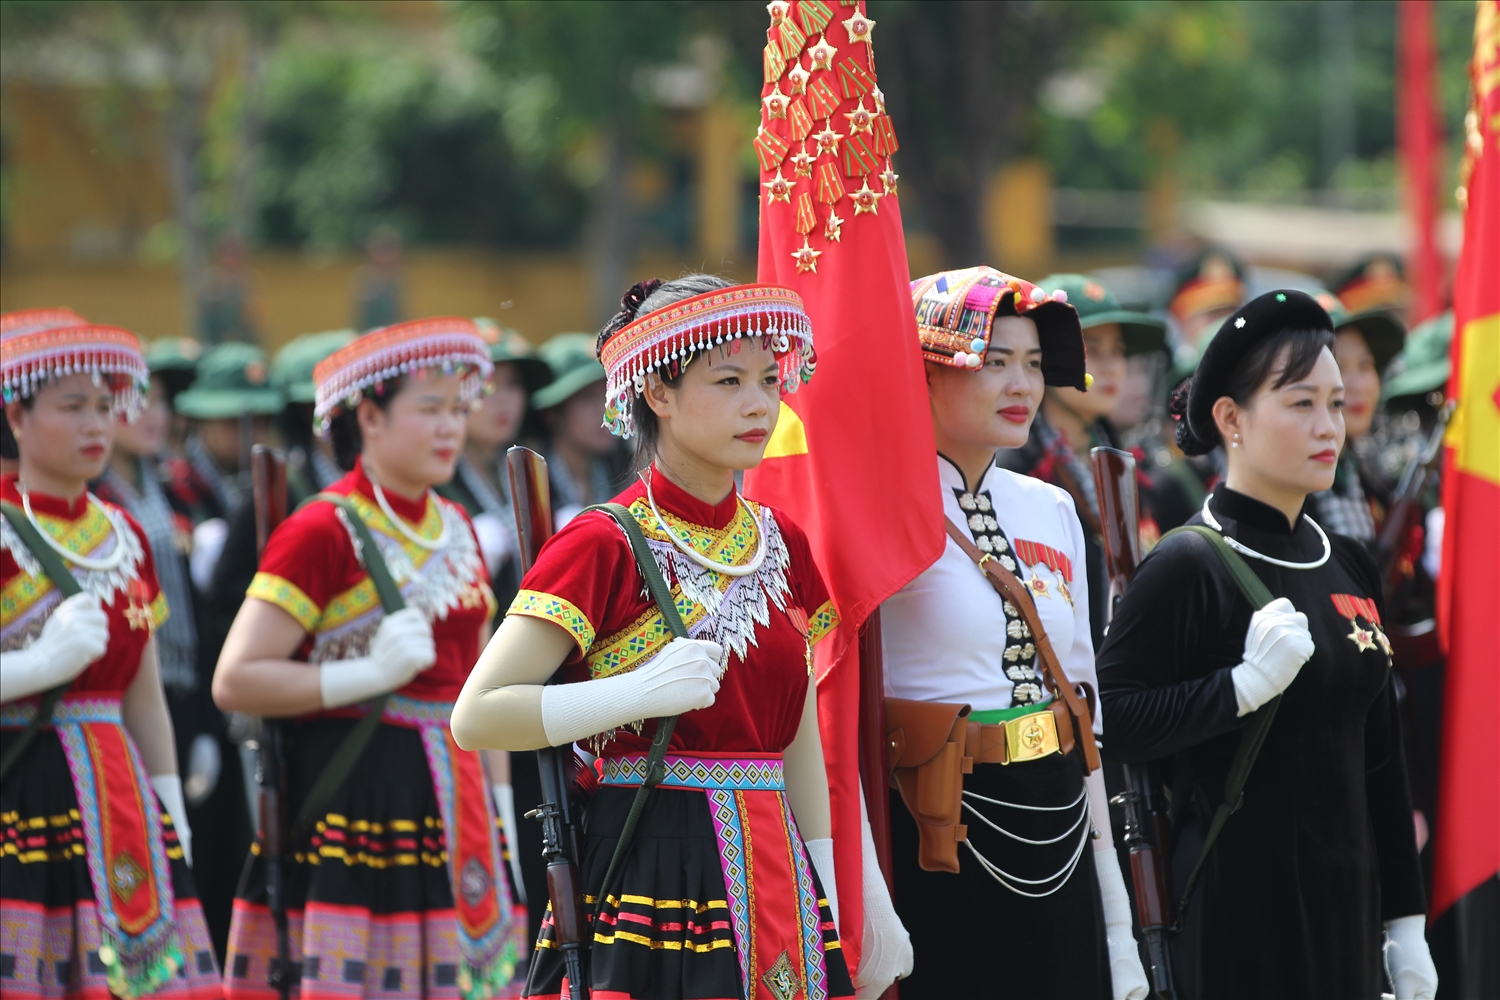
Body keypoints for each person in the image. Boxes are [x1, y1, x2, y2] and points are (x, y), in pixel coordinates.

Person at [451, 275, 910, 1000]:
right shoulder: (602, 542)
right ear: (656, 394)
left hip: (776, 867)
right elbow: (478, 713)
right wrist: (631, 694)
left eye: (768, 378)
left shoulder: (781, 541)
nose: (760, 404)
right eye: (728, 381)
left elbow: (795, 735)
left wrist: (838, 878)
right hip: (651, 872)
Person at [1095, 290, 1438, 998]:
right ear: (1231, 418)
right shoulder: (1190, 563)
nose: (1328, 428)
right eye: (1301, 403)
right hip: (1235, 916)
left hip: (1347, 913)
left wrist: (1405, 924)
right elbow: (1113, 722)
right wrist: (1239, 688)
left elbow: (1380, 755)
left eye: (1337, 405)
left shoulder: (1346, 559)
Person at [213, 317, 524, 999]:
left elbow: (480, 680)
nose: (451, 427)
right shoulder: (323, 528)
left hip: (460, 797)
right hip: (361, 800)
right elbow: (236, 678)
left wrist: (499, 808)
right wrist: (365, 675)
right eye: (430, 408)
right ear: (371, 416)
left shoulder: (458, 524)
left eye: (457, 409)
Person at [880, 266, 1147, 1000]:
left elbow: (1082, 703)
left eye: (1033, 364)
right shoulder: (876, 513)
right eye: (994, 362)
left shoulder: (1052, 508)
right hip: (936, 834)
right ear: (924, 371)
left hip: (1057, 819)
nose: (1021, 384)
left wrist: (1119, 922)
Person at [1, 318, 222, 997]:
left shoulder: (122, 533)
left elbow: (143, 692)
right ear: (16, 414)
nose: (96, 424)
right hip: (19, 791)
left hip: (118, 792)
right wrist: (38, 666)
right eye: (72, 407)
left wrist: (169, 806)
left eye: (105, 405)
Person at [93, 350, 251, 961]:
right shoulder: (99, 493)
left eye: (160, 400)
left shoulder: (157, 488)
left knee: (204, 850)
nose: (152, 414)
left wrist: (206, 721)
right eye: (135, 399)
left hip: (178, 692)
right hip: (119, 695)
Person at [435, 320, 555, 946]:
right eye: (486, 386)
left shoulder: (527, 471)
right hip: (467, 696)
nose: (503, 400)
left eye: (513, 386)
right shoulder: (439, 488)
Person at [999, 272, 1192, 647]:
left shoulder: (1131, 468)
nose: (1112, 367)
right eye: (1091, 348)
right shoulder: (1013, 470)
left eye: (1118, 351)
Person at [166, 342, 284, 594]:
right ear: (201, 418)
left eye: (262, 422)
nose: (252, 434)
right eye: (234, 423)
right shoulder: (174, 487)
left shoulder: (270, 482)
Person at [529, 333, 627, 522]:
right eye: (588, 397)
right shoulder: (530, 481)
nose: (607, 411)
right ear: (551, 412)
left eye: (609, 394)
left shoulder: (622, 469)